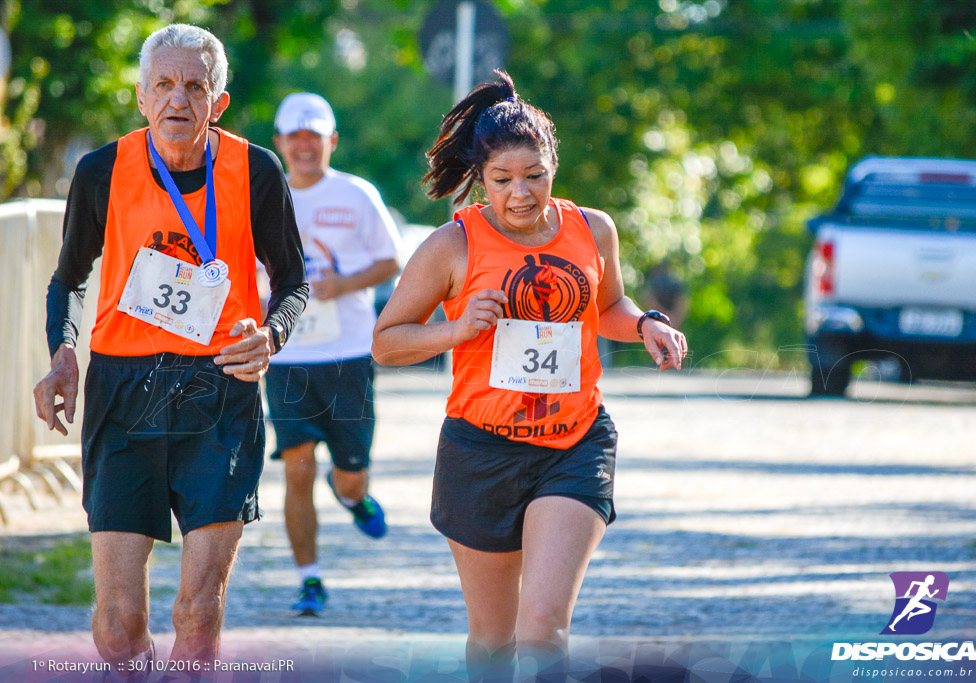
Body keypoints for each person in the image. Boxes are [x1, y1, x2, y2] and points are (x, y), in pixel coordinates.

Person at [372, 71, 687, 680]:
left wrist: (645, 322)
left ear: (553, 166)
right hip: (481, 450)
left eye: (534, 175)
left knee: (543, 629)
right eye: (502, 180)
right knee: (493, 641)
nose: (521, 193)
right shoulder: (452, 246)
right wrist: (455, 330)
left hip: (574, 441)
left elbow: (607, 310)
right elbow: (386, 343)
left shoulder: (592, 230)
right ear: (479, 179)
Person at [31, 24, 307, 670]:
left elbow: (293, 281)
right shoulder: (103, 170)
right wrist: (64, 352)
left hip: (220, 390)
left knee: (198, 610)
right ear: (140, 96)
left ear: (219, 101)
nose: (177, 100)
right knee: (119, 626)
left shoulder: (255, 170)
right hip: (123, 394)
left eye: (194, 86)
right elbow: (69, 279)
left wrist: (271, 334)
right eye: (163, 85)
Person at [266, 92, 401, 615]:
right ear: (280, 143)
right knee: (295, 467)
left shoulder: (356, 193)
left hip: (347, 354)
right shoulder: (263, 195)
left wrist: (341, 285)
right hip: (285, 356)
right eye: (294, 137)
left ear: (331, 142)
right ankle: (310, 578)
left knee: (349, 474)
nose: (304, 146)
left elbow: (391, 259)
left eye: (313, 137)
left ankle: (352, 494)